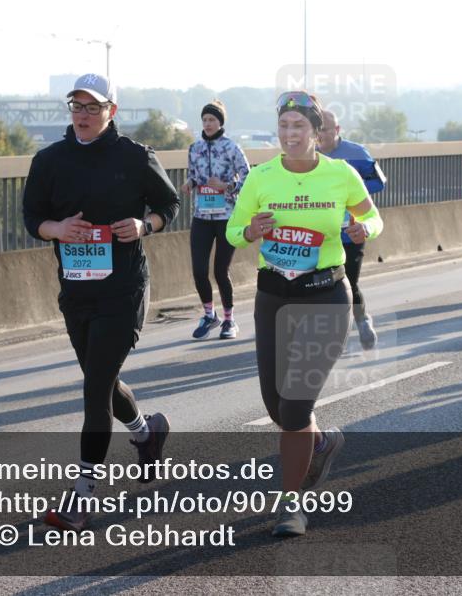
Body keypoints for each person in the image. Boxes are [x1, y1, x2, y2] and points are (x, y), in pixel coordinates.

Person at [22, 73, 180, 531]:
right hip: (77, 291)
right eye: (77, 106)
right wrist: (57, 229)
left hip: (123, 288)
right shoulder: (49, 160)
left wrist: (144, 225)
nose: (84, 115)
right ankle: (148, 434)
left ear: (112, 111)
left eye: (93, 107)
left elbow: (168, 205)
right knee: (103, 383)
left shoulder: (135, 157)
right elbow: (33, 217)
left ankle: (83, 495)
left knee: (94, 390)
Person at [227, 91, 383, 537]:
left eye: (299, 126)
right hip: (273, 298)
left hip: (325, 296)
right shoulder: (260, 177)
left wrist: (363, 229)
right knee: (277, 406)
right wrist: (250, 230)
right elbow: (234, 231)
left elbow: (374, 218)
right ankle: (322, 442)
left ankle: (291, 505)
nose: (289, 134)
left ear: (317, 132)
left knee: (295, 407)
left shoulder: (340, 174)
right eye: (283, 126)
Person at [182, 100, 251, 340]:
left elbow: (248, 177)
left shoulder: (231, 147)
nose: (208, 124)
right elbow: (194, 175)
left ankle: (229, 320)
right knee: (199, 271)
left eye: (212, 120)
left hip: (226, 217)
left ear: (220, 122)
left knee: (221, 271)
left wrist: (227, 186)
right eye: (205, 120)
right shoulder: (195, 148)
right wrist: (189, 183)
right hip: (201, 216)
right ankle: (210, 315)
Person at [317, 110, 385, 347]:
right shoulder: (307, 156)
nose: (320, 134)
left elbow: (379, 182)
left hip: (351, 231)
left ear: (337, 130)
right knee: (320, 285)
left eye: (325, 129)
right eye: (317, 129)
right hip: (320, 235)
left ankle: (362, 319)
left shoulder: (356, 153)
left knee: (347, 281)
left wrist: (351, 190)